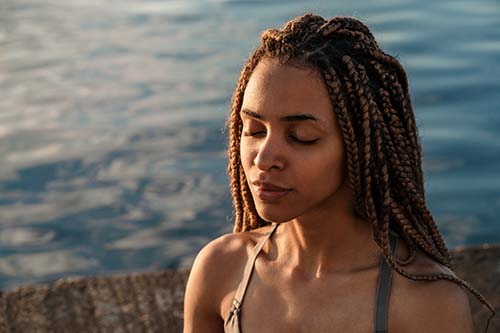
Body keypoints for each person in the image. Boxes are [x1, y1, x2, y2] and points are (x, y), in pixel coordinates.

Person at [183, 13, 495, 333]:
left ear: (361, 147)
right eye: (254, 130)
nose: (263, 159)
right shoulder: (221, 269)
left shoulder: (424, 301)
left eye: (301, 136)